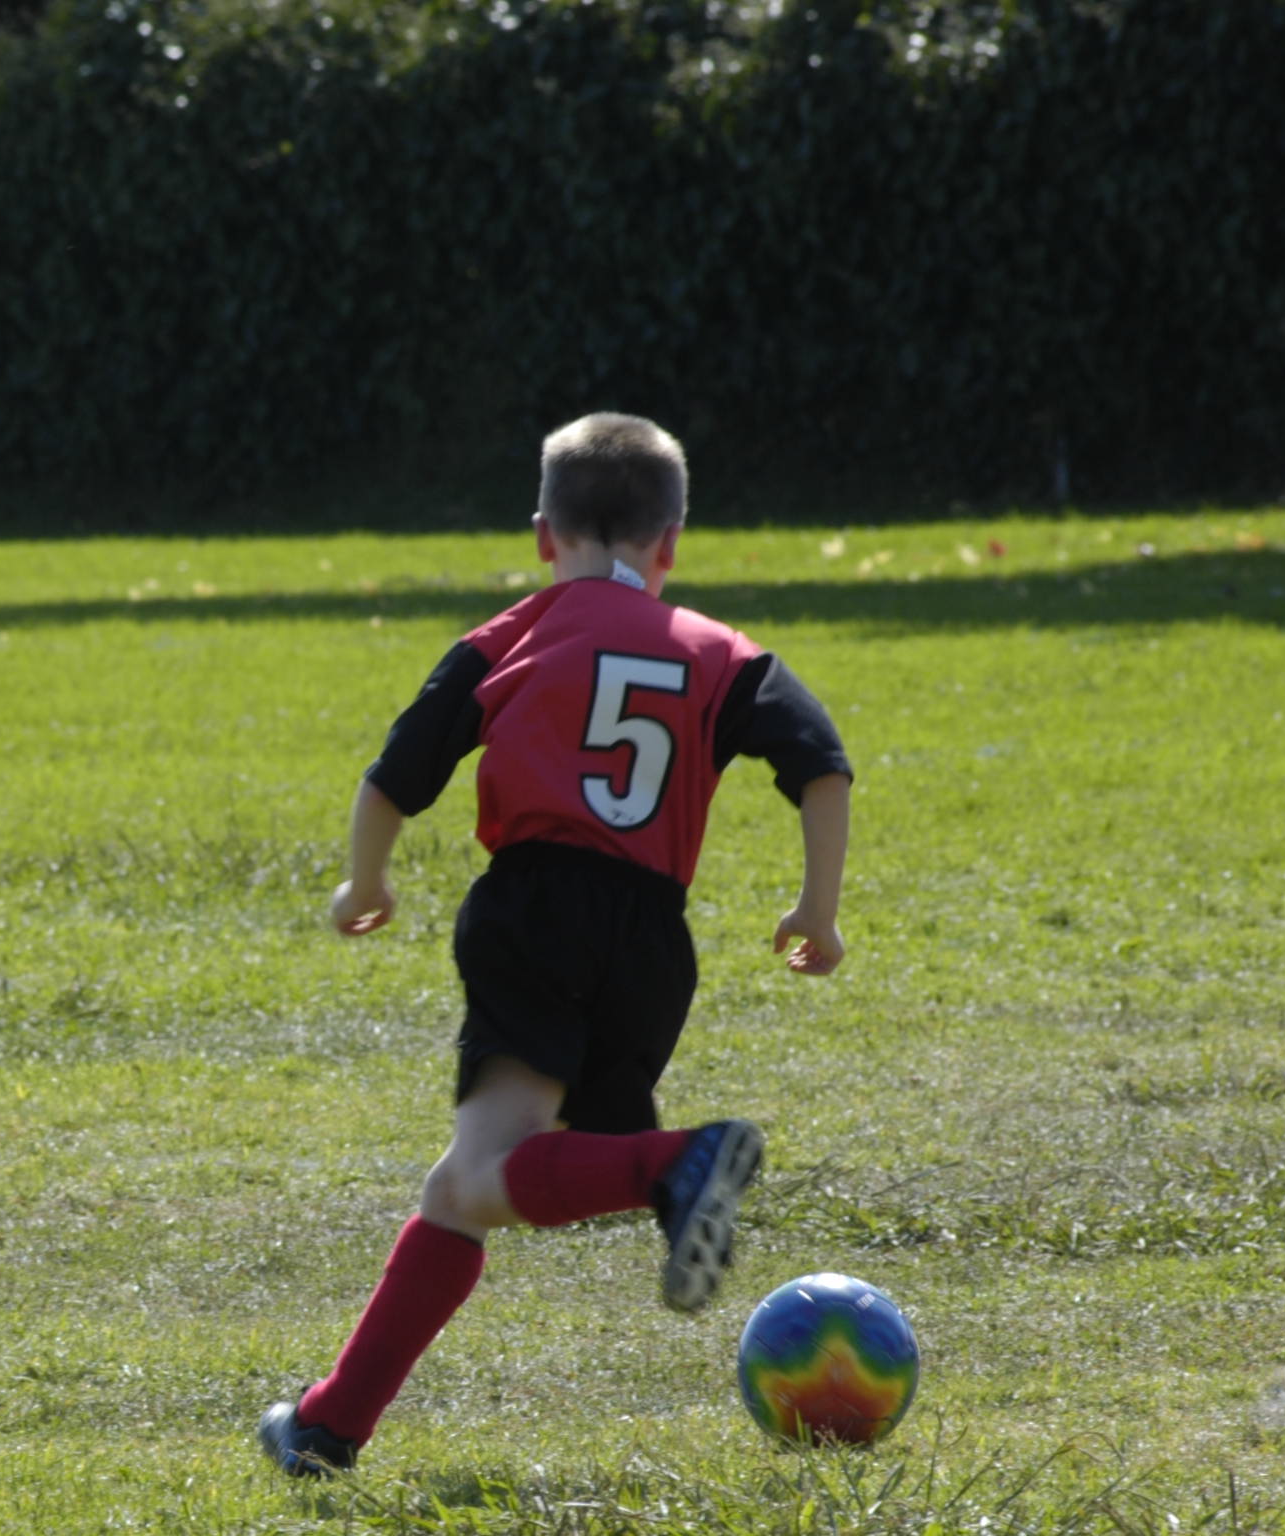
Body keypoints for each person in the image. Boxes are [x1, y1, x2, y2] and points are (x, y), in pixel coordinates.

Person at [259, 412, 854, 1476]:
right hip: (652, 941)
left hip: (533, 911)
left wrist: (366, 879)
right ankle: (327, 1425)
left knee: (486, 1175)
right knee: (470, 1187)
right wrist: (818, 909)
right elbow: (821, 762)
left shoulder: (511, 634)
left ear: (543, 534)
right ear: (671, 542)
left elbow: (394, 775)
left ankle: (679, 1159)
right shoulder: (720, 652)